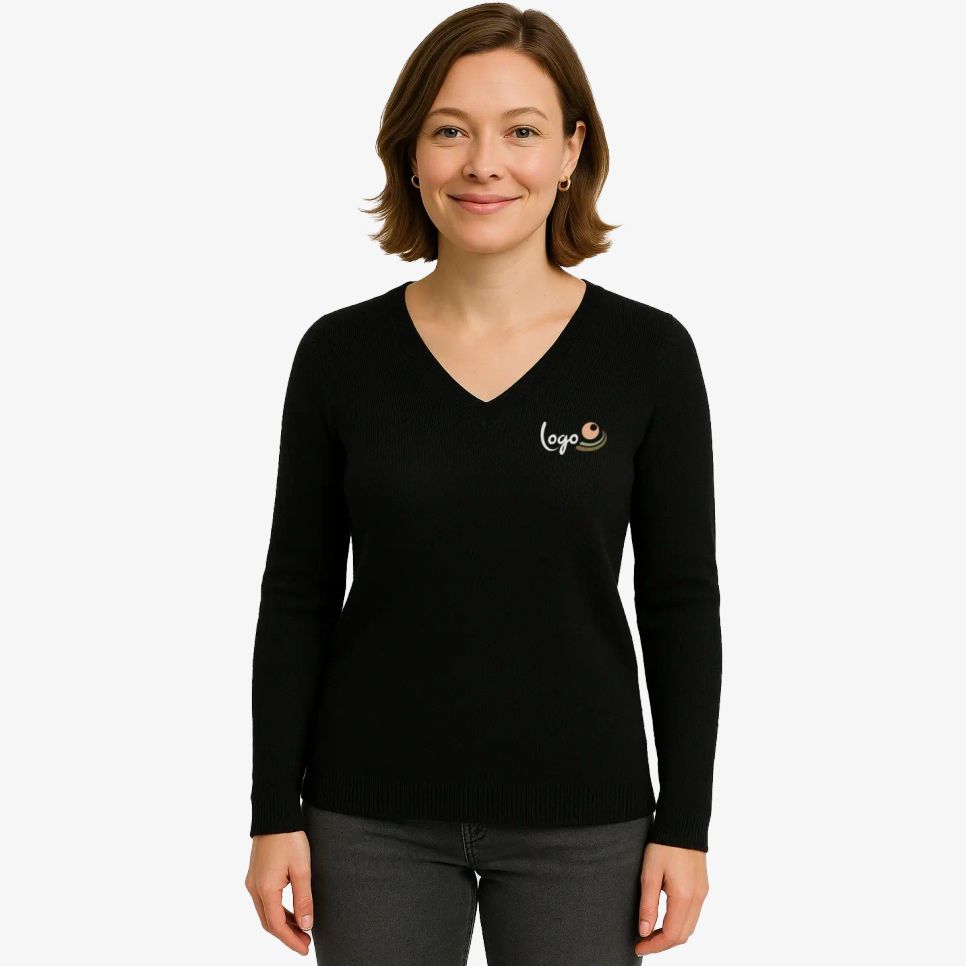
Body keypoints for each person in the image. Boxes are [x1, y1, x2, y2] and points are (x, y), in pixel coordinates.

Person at [244, 4, 722, 963]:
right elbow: (298, 592)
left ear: (572, 150)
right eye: (451, 130)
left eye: (522, 131)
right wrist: (271, 813)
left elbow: (679, 601)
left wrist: (686, 825)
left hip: (586, 826)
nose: (484, 163)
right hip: (366, 823)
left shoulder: (648, 357)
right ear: (411, 153)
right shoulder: (339, 356)